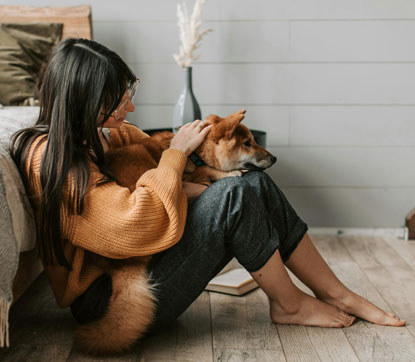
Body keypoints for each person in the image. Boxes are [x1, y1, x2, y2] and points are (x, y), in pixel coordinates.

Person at [9, 38, 405, 342]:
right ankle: (290, 303)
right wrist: (176, 155)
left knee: (252, 181)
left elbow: (164, 174)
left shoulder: (100, 134)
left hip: (140, 274)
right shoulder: (50, 158)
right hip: (112, 300)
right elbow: (131, 226)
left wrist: (195, 150)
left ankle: (339, 294)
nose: (129, 109)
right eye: (118, 99)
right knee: (234, 196)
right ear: (85, 100)